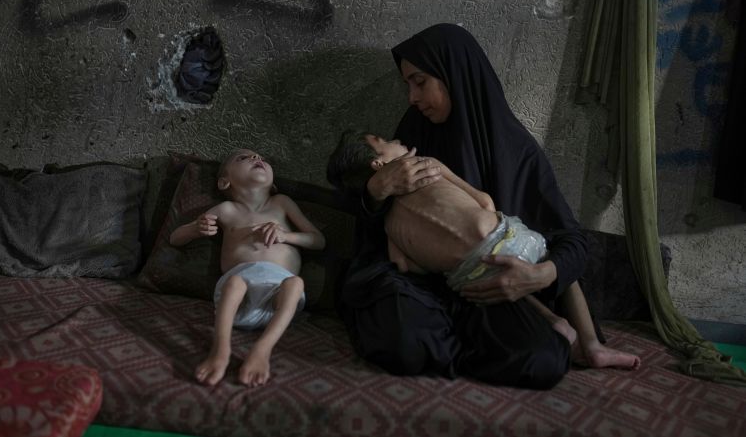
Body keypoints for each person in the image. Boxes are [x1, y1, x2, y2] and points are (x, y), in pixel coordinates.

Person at [332, 23, 633, 390]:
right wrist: (375, 191)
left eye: (420, 82)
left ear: (454, 75)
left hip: (488, 286)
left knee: (543, 358)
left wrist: (543, 275)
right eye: (408, 85)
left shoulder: (517, 151)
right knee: (404, 339)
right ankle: (455, 349)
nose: (411, 97)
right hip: (424, 283)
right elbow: (370, 214)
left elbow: (569, 238)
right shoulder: (413, 133)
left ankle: (454, 350)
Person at [328, 130, 641, 368]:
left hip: (468, 275)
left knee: (504, 283)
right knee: (556, 254)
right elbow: (485, 201)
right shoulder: (430, 165)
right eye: (385, 141)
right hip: (508, 238)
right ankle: (591, 342)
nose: (397, 138)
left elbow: (406, 265)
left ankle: (554, 322)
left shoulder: (388, 225)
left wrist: (440, 259)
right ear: (379, 164)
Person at [170, 149, 325, 387]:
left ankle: (262, 350)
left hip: (277, 301)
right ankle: (220, 350)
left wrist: (286, 236)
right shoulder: (226, 210)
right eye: (244, 158)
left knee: (296, 284)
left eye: (262, 158)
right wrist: (194, 229)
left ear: (273, 184)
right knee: (234, 283)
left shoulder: (281, 203)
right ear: (224, 181)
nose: (256, 158)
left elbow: (318, 240)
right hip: (237, 302)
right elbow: (175, 238)